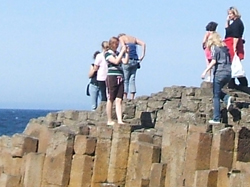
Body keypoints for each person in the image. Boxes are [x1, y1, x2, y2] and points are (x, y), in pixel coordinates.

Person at [201, 32, 233, 124]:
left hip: (220, 73)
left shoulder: (215, 48)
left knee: (216, 96)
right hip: (228, 73)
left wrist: (205, 71)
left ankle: (216, 118)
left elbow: (214, 61)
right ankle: (227, 98)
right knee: (217, 91)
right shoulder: (225, 48)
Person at [105, 37, 129, 125]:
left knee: (119, 99)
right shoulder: (107, 54)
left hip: (120, 76)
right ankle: (109, 119)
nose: (117, 45)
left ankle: (119, 120)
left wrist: (126, 53)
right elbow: (115, 61)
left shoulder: (117, 53)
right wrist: (122, 52)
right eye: (115, 44)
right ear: (111, 44)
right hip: (112, 77)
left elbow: (125, 61)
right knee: (111, 98)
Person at [224, 6, 248, 88]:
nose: (229, 15)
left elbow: (236, 36)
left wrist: (234, 48)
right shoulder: (233, 23)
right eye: (228, 14)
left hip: (233, 44)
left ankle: (242, 83)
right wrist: (227, 21)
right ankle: (232, 83)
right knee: (230, 64)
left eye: (231, 14)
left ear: (235, 14)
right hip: (229, 44)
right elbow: (227, 30)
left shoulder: (238, 23)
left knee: (234, 64)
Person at [118, 33, 146, 100]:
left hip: (127, 60)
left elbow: (124, 47)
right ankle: (132, 97)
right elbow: (143, 44)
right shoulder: (133, 38)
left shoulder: (121, 38)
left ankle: (125, 97)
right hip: (135, 61)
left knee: (125, 79)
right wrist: (142, 56)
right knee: (132, 79)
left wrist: (120, 55)